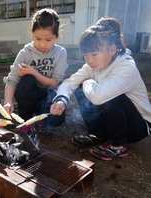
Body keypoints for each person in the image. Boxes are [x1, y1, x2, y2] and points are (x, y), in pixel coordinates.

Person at [50, 18, 151, 160]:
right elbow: (69, 83)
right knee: (82, 86)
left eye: (94, 54)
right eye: (85, 55)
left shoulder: (126, 67)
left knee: (105, 93)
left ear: (112, 50)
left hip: (137, 127)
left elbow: (98, 96)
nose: (89, 60)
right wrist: (61, 100)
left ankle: (118, 145)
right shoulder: (91, 66)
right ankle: (97, 134)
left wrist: (89, 81)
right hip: (114, 119)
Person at [3, 8, 68, 133]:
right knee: (28, 79)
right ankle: (25, 120)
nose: (43, 44)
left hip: (46, 96)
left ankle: (41, 119)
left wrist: (34, 72)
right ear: (32, 33)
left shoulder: (60, 52)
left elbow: (54, 83)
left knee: (56, 120)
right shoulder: (25, 53)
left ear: (56, 36)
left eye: (48, 40)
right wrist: (7, 102)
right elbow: (12, 80)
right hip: (27, 95)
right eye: (38, 39)